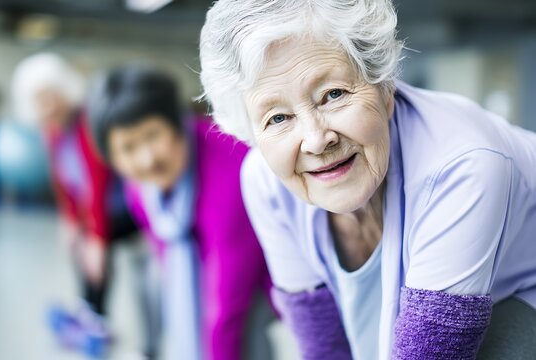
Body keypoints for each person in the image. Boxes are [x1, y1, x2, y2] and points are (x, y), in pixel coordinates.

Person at [199, 1, 536, 359]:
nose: (316, 140)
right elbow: (324, 346)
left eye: (333, 95)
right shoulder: (265, 182)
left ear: (385, 88)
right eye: (278, 118)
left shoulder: (463, 165)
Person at [87, 64, 274, 360]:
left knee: (241, 335)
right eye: (128, 147)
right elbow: (166, 257)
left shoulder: (229, 166)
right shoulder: (141, 191)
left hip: (263, 281)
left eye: (151, 136)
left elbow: (228, 303)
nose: (147, 159)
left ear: (176, 125)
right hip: (210, 271)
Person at [11, 53, 140, 358]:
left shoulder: (84, 122)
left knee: (95, 249)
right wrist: (69, 221)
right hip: (95, 211)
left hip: (123, 208)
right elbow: (64, 181)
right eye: (39, 100)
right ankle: (88, 309)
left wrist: (96, 238)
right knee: (80, 246)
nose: (47, 105)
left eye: (50, 96)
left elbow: (97, 183)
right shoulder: (54, 132)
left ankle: (96, 316)